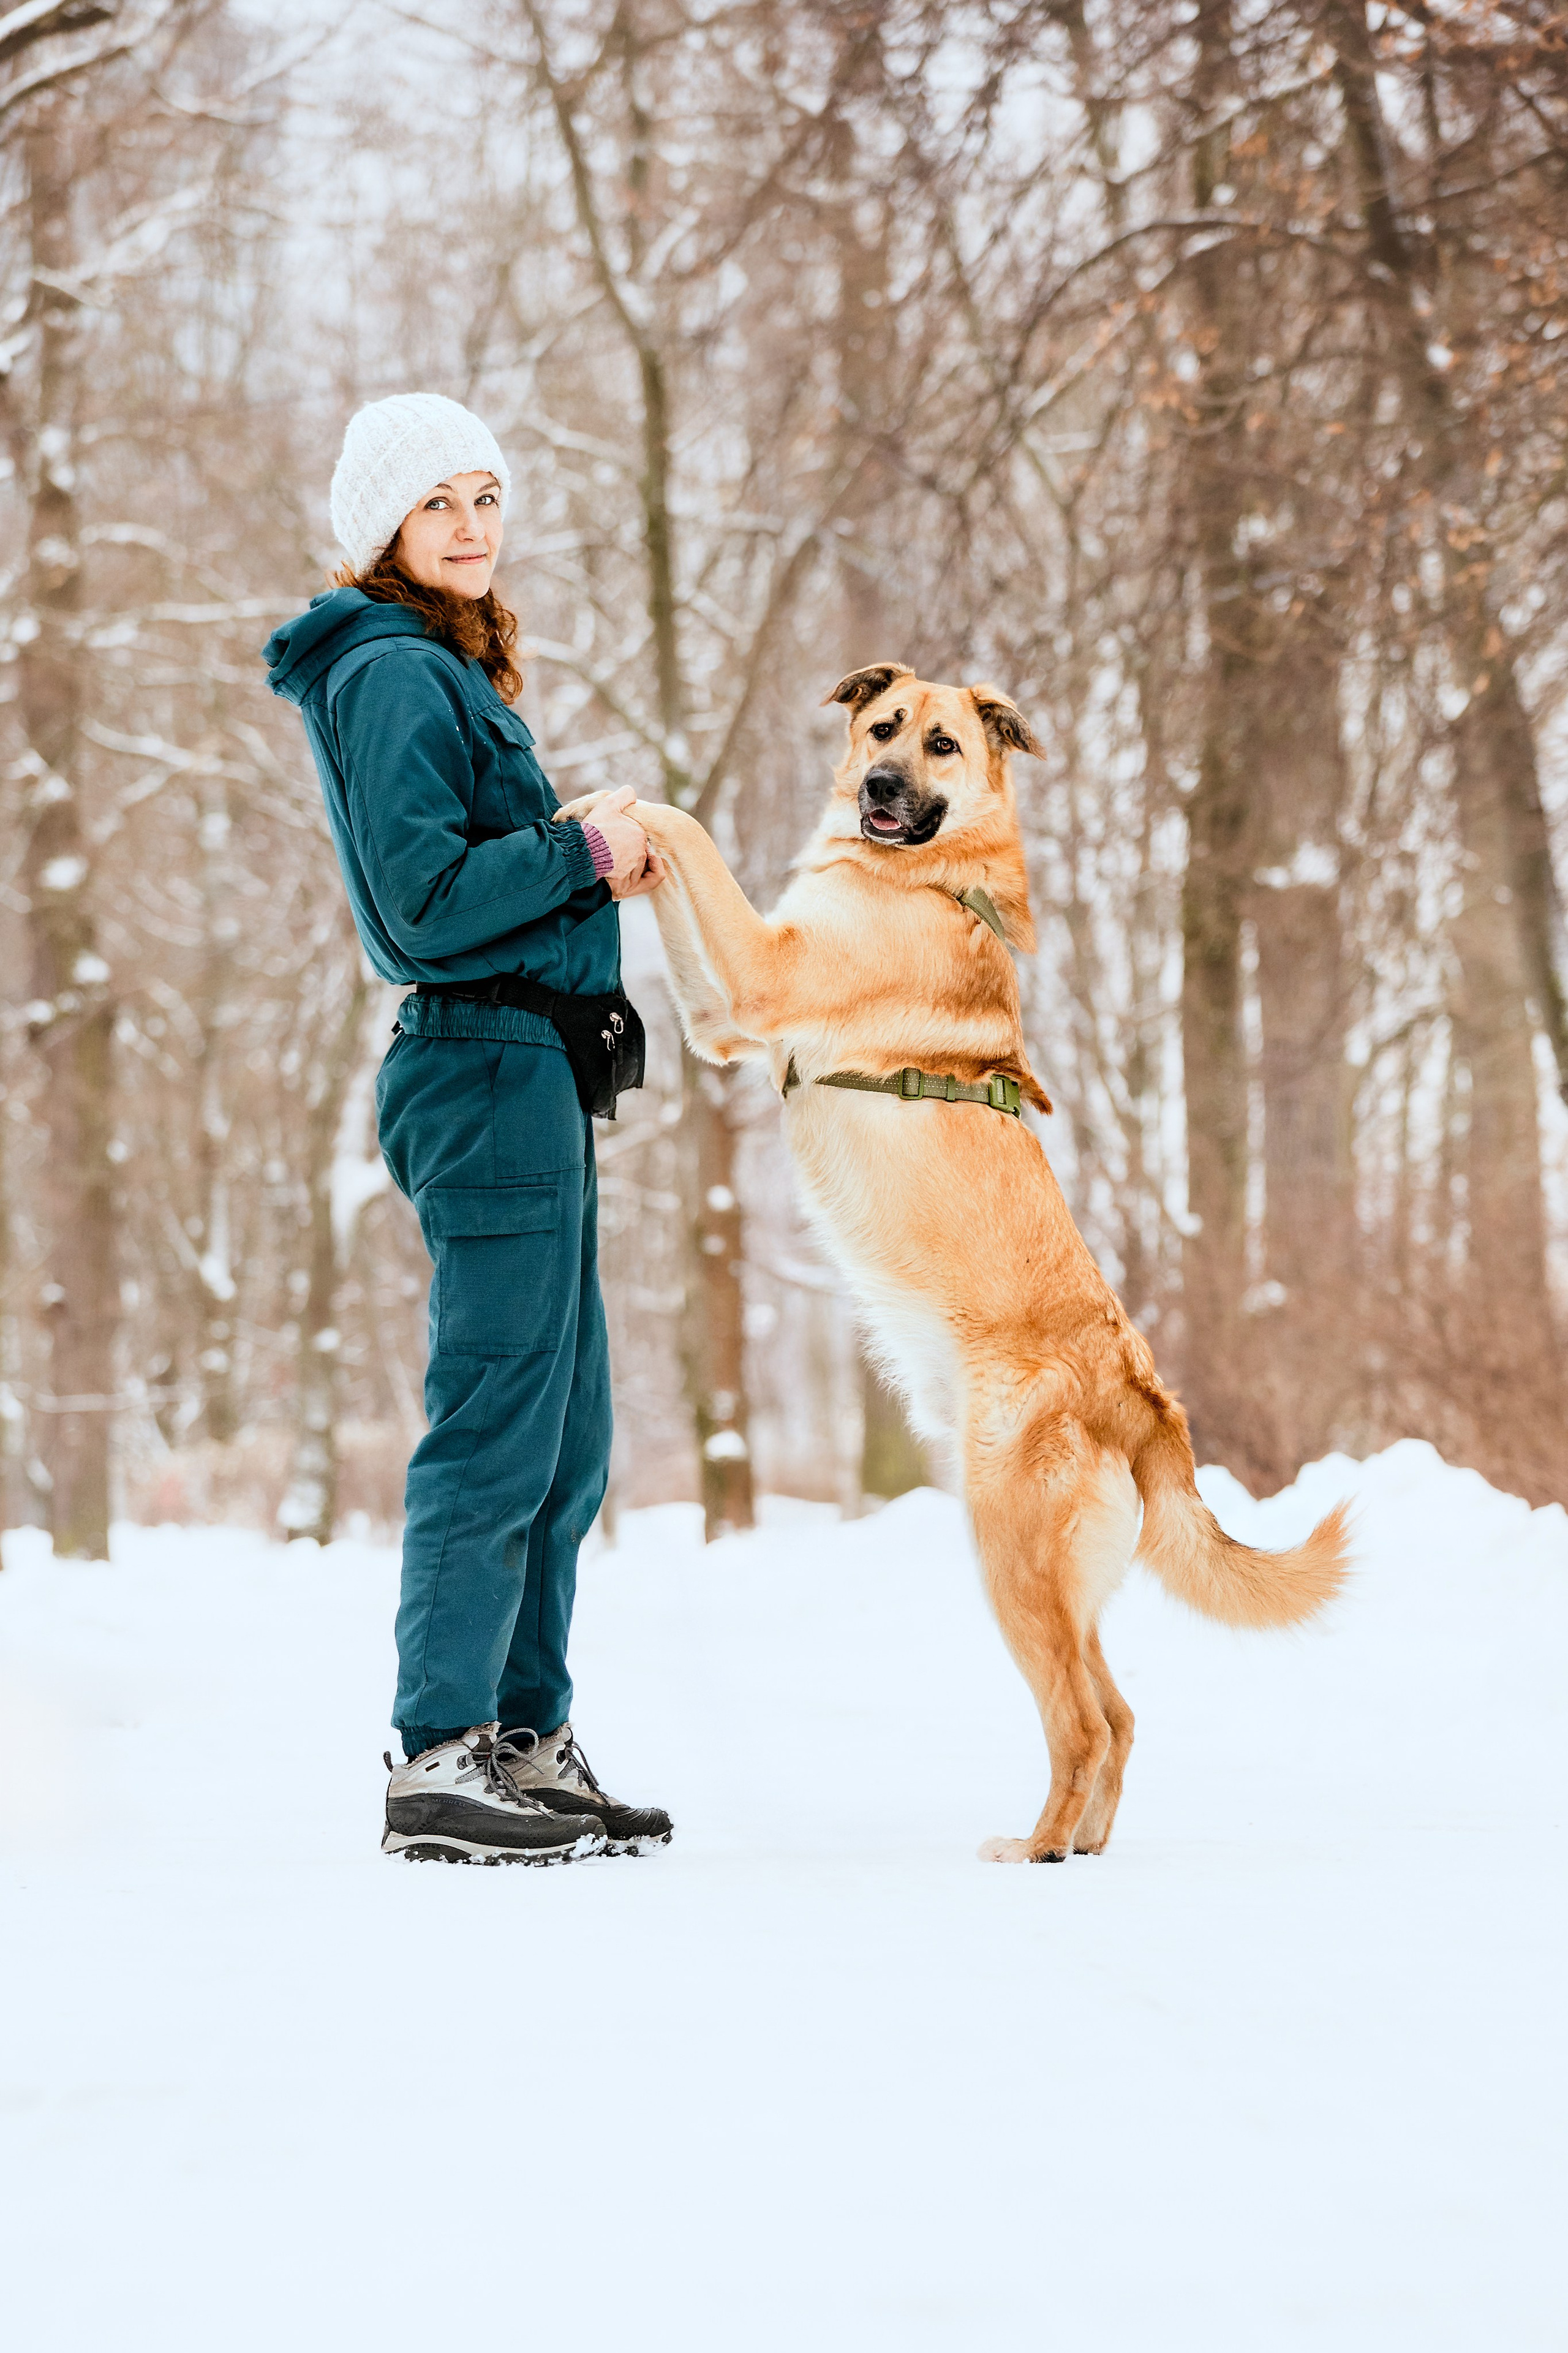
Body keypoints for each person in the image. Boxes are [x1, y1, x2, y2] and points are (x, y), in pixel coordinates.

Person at [263, 393, 671, 1864]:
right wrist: (579, 848)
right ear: (386, 528)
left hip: (531, 1074)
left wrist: (584, 866)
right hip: (480, 1070)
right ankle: (437, 1755)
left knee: (566, 1437)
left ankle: (522, 1742)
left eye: (488, 493)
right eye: (440, 501)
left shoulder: (441, 667)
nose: (476, 523)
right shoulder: (386, 673)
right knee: (496, 1424)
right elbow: (424, 908)